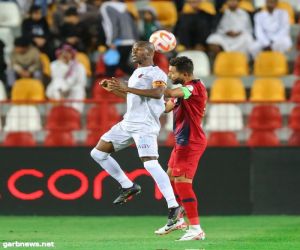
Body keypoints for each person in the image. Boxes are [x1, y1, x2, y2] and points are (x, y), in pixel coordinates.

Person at [90, 41, 181, 229]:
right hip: (128, 123)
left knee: (150, 163)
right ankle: (128, 186)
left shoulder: (157, 73)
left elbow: (157, 93)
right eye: (132, 50)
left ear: (150, 52)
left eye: (137, 50)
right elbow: (133, 98)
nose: (133, 53)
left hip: (144, 126)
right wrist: (115, 89)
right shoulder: (135, 73)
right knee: (98, 153)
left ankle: (174, 206)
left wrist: (127, 87)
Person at [155, 56, 207, 241]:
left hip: (191, 141)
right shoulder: (183, 92)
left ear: (185, 74)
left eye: (172, 72)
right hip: (181, 141)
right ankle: (178, 219)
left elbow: (169, 92)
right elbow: (166, 107)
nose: (169, 74)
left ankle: (196, 229)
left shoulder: (193, 88)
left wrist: (157, 82)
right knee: (169, 177)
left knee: (183, 183)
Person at [100, 0, 138, 76]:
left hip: (117, 42)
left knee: (110, 67)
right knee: (122, 65)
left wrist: (111, 41)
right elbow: (133, 25)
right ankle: (141, 78)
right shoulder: (125, 7)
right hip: (130, 41)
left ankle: (141, 78)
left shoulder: (106, 6)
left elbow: (111, 25)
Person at [46, 44, 87, 113]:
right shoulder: (54, 65)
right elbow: (56, 78)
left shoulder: (79, 66)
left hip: (73, 92)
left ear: (72, 54)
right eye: (63, 53)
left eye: (68, 52)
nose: (65, 55)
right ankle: (58, 107)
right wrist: (63, 65)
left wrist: (69, 87)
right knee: (56, 83)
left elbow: (82, 82)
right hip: (58, 91)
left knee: (79, 89)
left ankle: (75, 113)